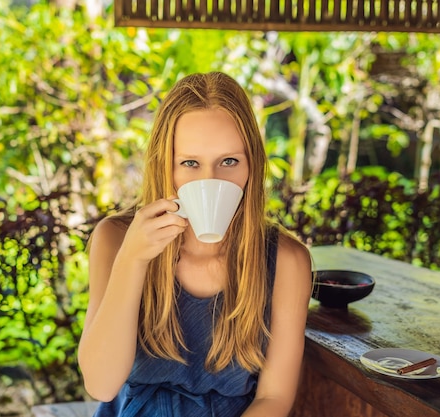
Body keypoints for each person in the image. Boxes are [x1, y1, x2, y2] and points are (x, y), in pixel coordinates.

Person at [78, 71, 312, 417]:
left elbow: (273, 398)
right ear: (165, 166)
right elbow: (100, 384)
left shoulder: (286, 261)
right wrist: (133, 260)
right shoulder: (116, 239)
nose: (210, 180)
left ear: (252, 165)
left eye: (229, 161)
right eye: (190, 163)